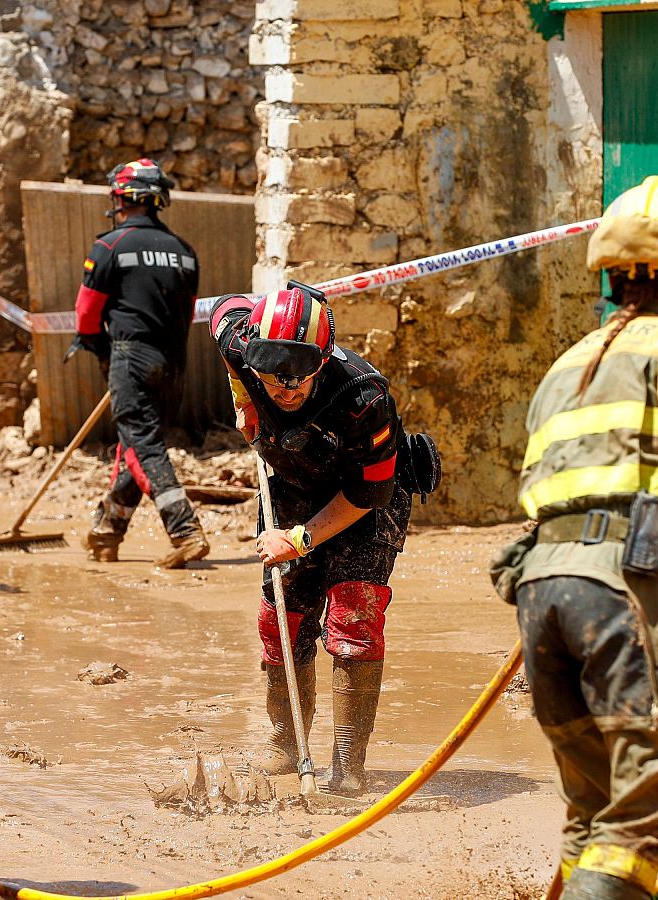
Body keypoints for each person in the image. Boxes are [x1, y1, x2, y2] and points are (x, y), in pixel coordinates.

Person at [490, 176, 658, 900]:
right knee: (644, 815)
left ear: (611, 276)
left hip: (542, 592)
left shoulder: (564, 367)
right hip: (623, 584)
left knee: (594, 814)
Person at [210, 281, 436, 797]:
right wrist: (245, 395)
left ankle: (346, 763)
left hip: (366, 496)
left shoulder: (363, 398)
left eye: (297, 378)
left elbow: (366, 495)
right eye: (271, 377)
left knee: (352, 616)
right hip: (293, 480)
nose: (284, 389)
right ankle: (286, 743)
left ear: (322, 361)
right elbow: (224, 306)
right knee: (281, 618)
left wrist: (302, 540)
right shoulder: (241, 344)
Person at [76, 157, 208, 568]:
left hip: (131, 355)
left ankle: (185, 530)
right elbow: (185, 315)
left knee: (143, 446)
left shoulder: (110, 246)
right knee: (141, 445)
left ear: (125, 198)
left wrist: (104, 354)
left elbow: (85, 314)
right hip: (174, 360)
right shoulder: (185, 252)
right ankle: (107, 530)